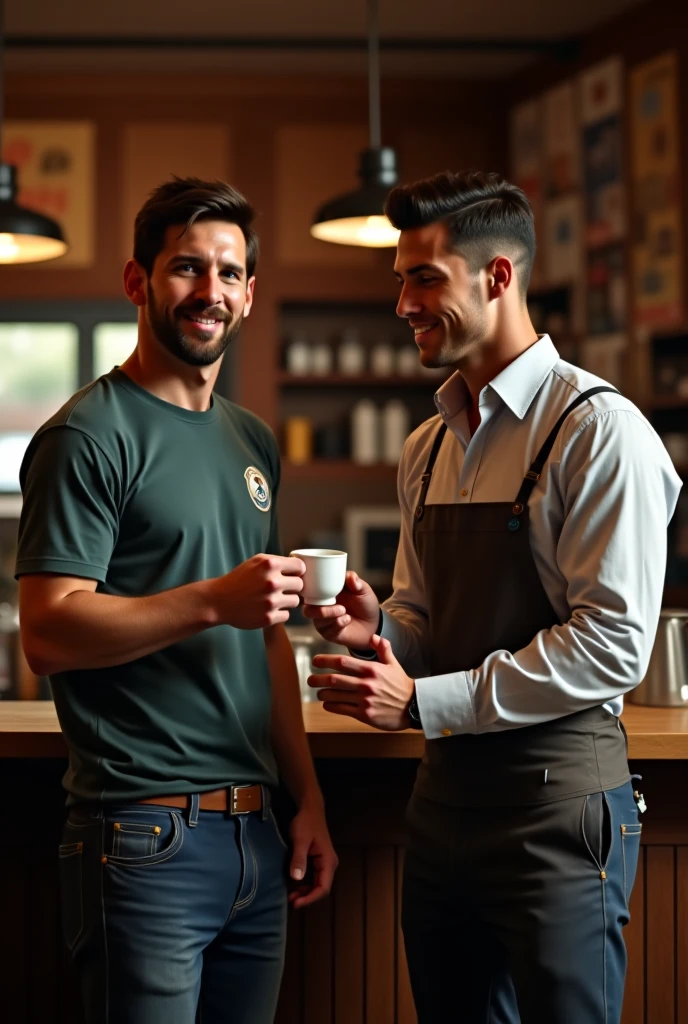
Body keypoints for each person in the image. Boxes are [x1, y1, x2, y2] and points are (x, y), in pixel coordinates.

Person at [303, 170, 681, 1024]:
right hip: (443, 811)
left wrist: (420, 699)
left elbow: (613, 643)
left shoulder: (597, 429)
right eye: (400, 278)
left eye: (424, 277)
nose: (403, 302)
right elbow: (426, 616)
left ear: (498, 277)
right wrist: (382, 633)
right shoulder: (428, 446)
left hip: (558, 810)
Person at [16, 176, 337, 1024]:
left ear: (251, 294)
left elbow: (267, 639)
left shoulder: (250, 437)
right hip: (143, 837)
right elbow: (45, 634)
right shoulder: (88, 435)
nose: (211, 292)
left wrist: (306, 800)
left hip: (257, 837)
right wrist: (209, 601)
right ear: (138, 282)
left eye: (229, 274)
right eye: (187, 269)